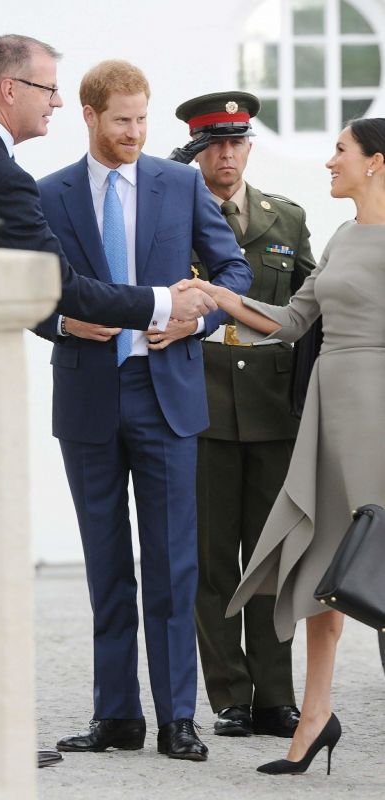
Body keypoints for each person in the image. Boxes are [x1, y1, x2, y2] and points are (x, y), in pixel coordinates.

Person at [36, 60, 252, 761]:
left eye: (141, 120)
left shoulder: (181, 183)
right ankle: (116, 718)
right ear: (89, 116)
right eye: (121, 120)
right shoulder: (48, 195)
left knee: (170, 564)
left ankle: (176, 720)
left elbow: (233, 272)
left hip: (168, 394)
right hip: (88, 394)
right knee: (105, 565)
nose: (134, 133)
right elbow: (28, 293)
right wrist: (65, 325)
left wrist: (196, 322)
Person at [188, 116, 385, 774]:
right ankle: (313, 719)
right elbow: (290, 321)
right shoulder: (340, 235)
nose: (329, 161)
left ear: (375, 162)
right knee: (323, 569)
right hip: (328, 419)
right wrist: (216, 294)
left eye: (339, 151)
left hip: (378, 418)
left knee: (379, 568)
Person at [172, 90, 315, 738]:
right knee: (210, 560)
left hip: (271, 411)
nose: (225, 155)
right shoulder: (169, 215)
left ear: (248, 147)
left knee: (272, 558)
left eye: (235, 143)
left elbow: (310, 312)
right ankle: (229, 693)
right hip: (198, 407)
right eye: (213, 144)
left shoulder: (285, 218)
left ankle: (273, 697)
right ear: (197, 151)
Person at [0, 34, 215, 334]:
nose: (57, 102)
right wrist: (165, 302)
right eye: (50, 89)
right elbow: (58, 285)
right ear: (9, 89)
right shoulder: (6, 177)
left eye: (141, 119)